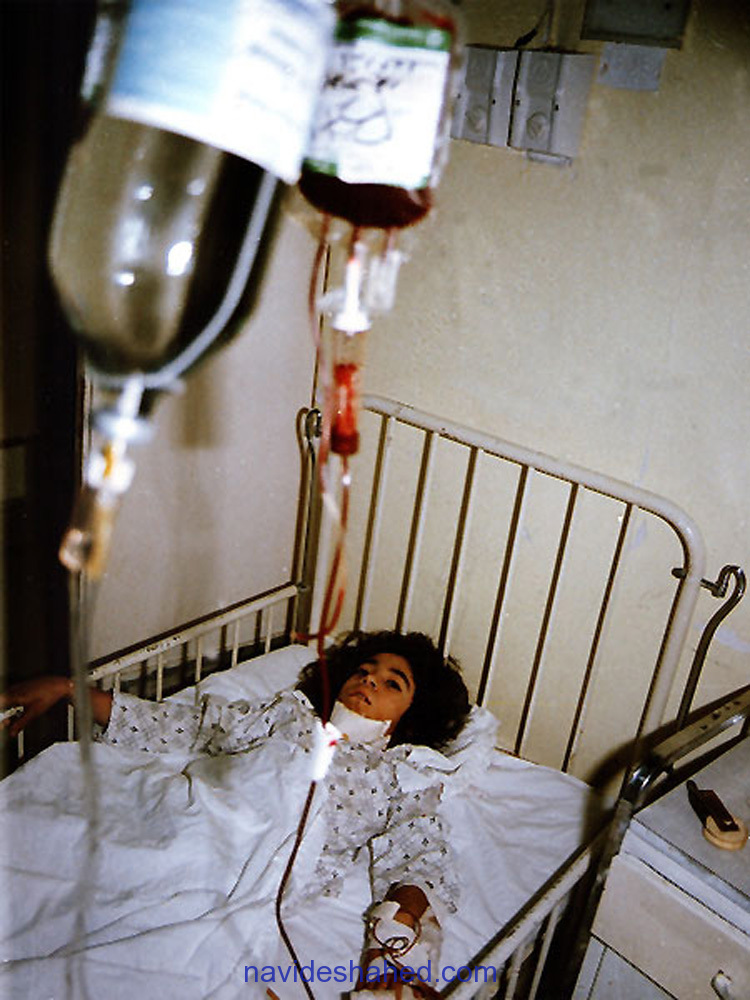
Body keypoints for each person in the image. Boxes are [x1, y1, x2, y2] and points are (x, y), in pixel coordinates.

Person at [0, 630, 471, 999]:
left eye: (392, 683)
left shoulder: (397, 779)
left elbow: (417, 858)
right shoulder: (286, 717)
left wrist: (395, 940)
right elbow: (185, 726)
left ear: (412, 716)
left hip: (246, 871)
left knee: (173, 952)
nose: (368, 680)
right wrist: (69, 690)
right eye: (364, 671)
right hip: (193, 815)